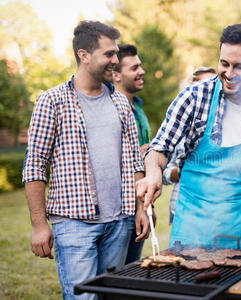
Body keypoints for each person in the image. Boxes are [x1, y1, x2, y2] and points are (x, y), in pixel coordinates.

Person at [136, 23, 241, 250]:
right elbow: (159, 148)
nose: (229, 74)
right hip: (191, 226)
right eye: (224, 63)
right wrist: (153, 174)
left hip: (240, 228)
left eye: (239, 66)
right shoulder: (193, 96)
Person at [22, 20, 149, 300]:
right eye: (108, 54)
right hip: (74, 225)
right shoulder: (51, 101)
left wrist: (141, 209)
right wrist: (39, 224)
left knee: (112, 296)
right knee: (83, 298)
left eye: (115, 54)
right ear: (84, 55)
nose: (115, 61)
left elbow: (135, 164)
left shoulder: (120, 104)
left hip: (119, 223)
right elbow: (34, 166)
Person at [112, 43, 155, 264]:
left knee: (130, 270)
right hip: (117, 211)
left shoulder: (138, 108)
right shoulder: (109, 109)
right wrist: (140, 153)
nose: (142, 71)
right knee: (112, 275)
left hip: (139, 204)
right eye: (134, 68)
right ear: (115, 75)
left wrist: (148, 206)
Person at [163, 66, 217, 225]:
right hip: (181, 210)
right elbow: (165, 174)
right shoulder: (179, 129)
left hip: (216, 213)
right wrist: (181, 171)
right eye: (200, 84)